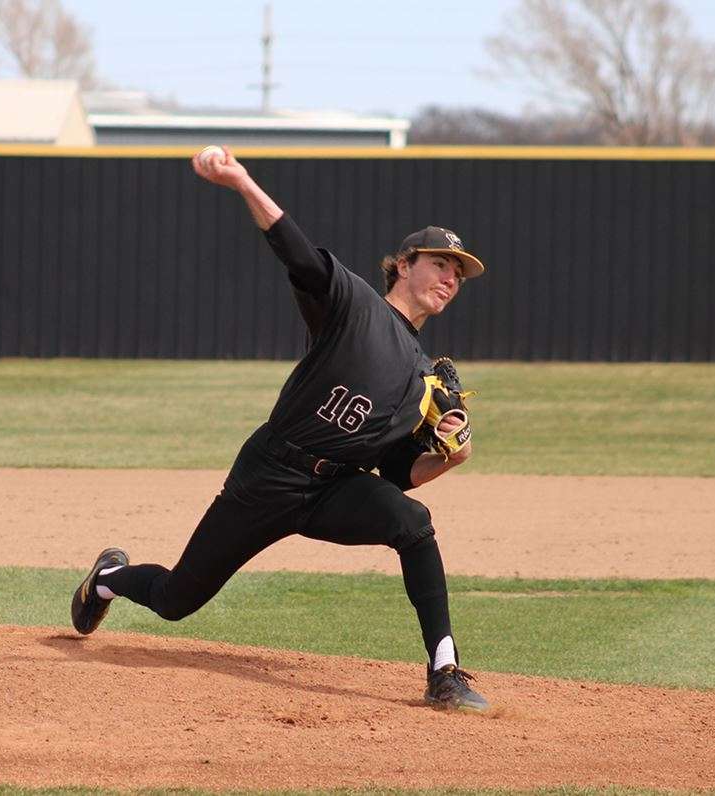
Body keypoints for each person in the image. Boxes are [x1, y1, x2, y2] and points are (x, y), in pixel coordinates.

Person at [70, 147, 490, 712]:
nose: (450, 277)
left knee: (412, 524)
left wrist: (447, 460)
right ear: (405, 263)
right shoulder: (354, 306)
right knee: (176, 599)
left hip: (333, 490)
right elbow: (295, 251)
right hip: (269, 475)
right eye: (440, 263)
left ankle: (445, 671)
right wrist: (241, 180)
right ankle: (109, 579)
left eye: (458, 273)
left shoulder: (423, 380)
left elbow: (394, 473)